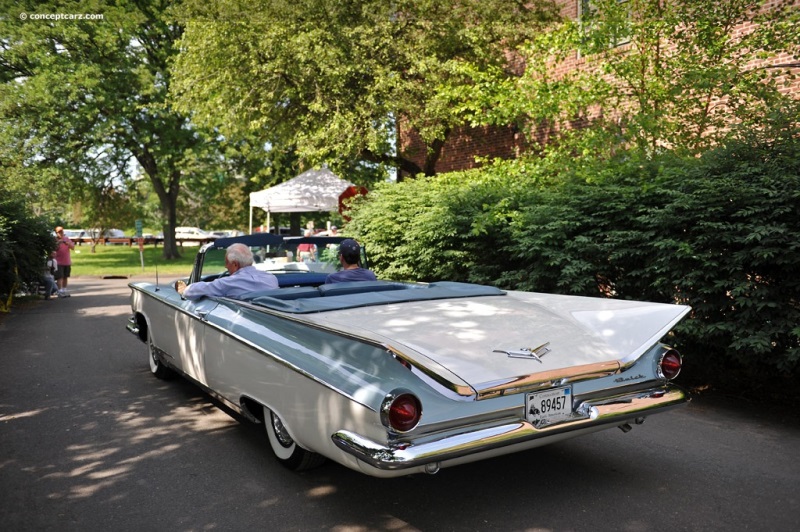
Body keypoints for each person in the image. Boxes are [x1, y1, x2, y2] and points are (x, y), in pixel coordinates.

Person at [177, 243, 278, 300]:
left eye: (227, 262)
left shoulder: (228, 283)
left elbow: (191, 292)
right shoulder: (271, 278)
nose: (225, 266)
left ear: (235, 264)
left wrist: (184, 289)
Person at [54, 226, 75, 297]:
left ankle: (64, 290)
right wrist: (58, 243)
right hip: (58, 262)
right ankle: (59, 291)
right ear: (56, 233)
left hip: (66, 261)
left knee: (65, 276)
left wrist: (68, 243)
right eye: (59, 232)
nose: (61, 233)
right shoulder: (55, 240)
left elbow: (73, 247)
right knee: (60, 277)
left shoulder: (66, 239)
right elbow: (54, 249)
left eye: (62, 232)